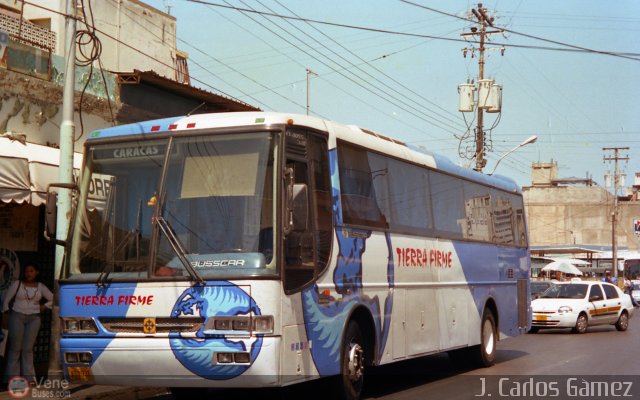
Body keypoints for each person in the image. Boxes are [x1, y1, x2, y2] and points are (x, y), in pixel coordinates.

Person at [2, 263, 53, 383]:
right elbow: (6, 301)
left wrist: (45, 306)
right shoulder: (17, 284)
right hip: (17, 316)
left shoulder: (40, 286)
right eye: (26, 271)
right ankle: (11, 378)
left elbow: (54, 298)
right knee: (15, 348)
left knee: (28, 349)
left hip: (34, 318)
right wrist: (5, 314)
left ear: (36, 272)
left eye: (31, 271)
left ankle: (29, 379)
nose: (28, 274)